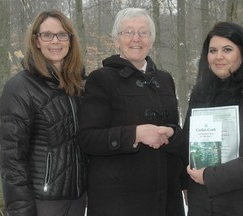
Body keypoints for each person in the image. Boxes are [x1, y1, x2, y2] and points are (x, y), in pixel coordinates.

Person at [77, 7, 185, 216]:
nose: (136, 38)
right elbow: (87, 138)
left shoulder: (164, 79)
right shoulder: (101, 79)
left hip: (166, 199)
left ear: (151, 40)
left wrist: (172, 133)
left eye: (143, 32)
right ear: (117, 40)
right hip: (120, 201)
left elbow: (175, 129)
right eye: (128, 32)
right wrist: (135, 134)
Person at [181, 21, 243, 215]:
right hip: (205, 205)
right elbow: (189, 143)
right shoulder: (200, 93)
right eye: (212, 50)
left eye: (227, 49)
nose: (218, 57)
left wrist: (212, 177)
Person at [0, 10, 87, 216]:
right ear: (37, 41)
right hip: (43, 203)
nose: (55, 41)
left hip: (77, 199)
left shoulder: (80, 85)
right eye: (47, 35)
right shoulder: (20, 88)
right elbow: (12, 161)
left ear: (70, 40)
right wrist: (22, 211)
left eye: (62, 35)